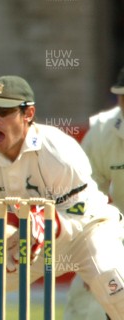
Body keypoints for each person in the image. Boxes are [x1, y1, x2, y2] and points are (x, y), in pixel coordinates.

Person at [0, 75, 124, 320]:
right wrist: (5, 237)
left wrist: (45, 225)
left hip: (86, 233)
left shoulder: (57, 149)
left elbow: (80, 211)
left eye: (4, 111)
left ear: (28, 113)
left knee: (116, 287)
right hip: (25, 243)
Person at [63, 67, 124, 319]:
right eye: (123, 97)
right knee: (87, 301)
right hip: (118, 232)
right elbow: (82, 196)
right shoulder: (103, 131)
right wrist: (94, 253)